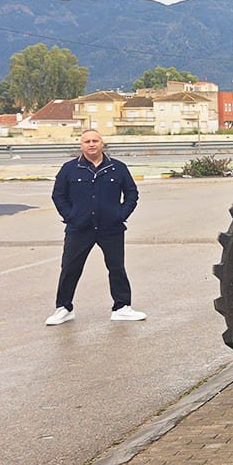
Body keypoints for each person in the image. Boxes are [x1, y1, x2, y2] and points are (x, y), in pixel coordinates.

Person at [45, 130, 145, 324]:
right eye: (87, 141)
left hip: (111, 228)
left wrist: (120, 215)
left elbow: (132, 194)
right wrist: (71, 216)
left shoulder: (117, 168)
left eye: (95, 141)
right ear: (81, 145)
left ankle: (122, 307)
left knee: (116, 267)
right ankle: (64, 308)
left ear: (102, 143)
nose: (91, 144)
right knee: (70, 268)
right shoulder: (70, 168)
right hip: (79, 228)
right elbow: (58, 196)